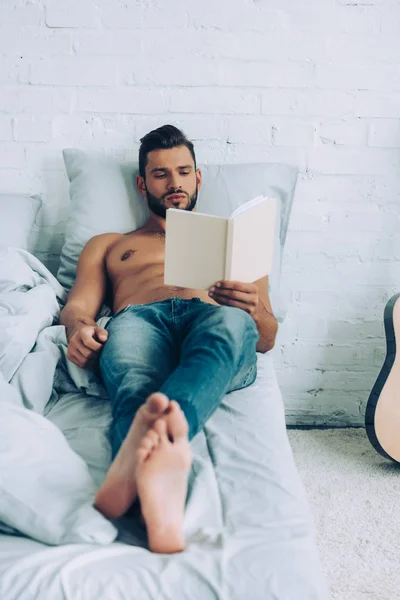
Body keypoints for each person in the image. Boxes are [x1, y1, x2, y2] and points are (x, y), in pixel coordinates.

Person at [59, 125, 278, 554]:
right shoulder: (110, 244)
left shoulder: (239, 245)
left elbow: (265, 338)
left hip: (214, 320)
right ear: (143, 183)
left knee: (232, 328)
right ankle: (160, 498)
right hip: (138, 320)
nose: (174, 183)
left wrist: (252, 310)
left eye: (183, 171)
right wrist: (78, 329)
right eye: (160, 174)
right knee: (136, 387)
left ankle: (136, 468)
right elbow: (77, 307)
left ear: (199, 178)